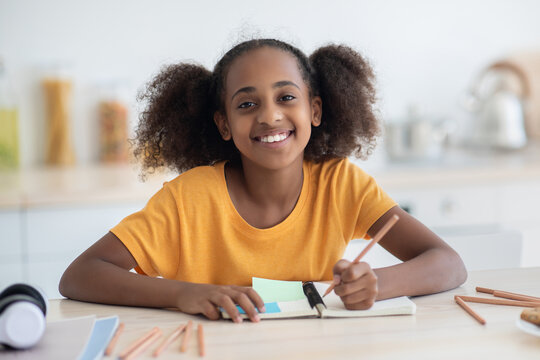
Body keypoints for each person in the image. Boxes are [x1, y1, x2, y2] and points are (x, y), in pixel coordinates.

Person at [59, 38, 467, 324]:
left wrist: (376, 284)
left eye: (286, 97)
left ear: (315, 109)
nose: (269, 116)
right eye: (247, 104)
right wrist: (185, 294)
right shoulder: (189, 198)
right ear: (223, 123)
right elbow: (80, 275)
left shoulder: (341, 184)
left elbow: (448, 263)